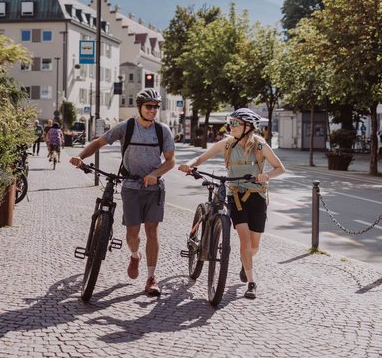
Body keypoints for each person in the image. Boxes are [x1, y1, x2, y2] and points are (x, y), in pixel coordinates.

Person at [69, 88, 175, 296]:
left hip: (154, 189)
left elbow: (170, 161)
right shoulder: (126, 127)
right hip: (130, 186)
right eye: (149, 106)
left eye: (156, 106)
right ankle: (135, 255)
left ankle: (151, 278)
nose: (153, 110)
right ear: (140, 108)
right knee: (132, 234)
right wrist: (80, 156)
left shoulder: (163, 131)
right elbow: (99, 142)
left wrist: (155, 173)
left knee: (152, 231)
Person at [178, 108, 286, 299]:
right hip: (235, 195)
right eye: (231, 122)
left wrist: (266, 175)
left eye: (235, 123)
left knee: (254, 247)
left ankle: (246, 263)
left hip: (257, 196)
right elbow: (202, 157)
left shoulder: (260, 146)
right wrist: (190, 164)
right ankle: (252, 283)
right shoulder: (227, 144)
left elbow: (280, 168)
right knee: (244, 241)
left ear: (247, 127)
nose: (231, 127)